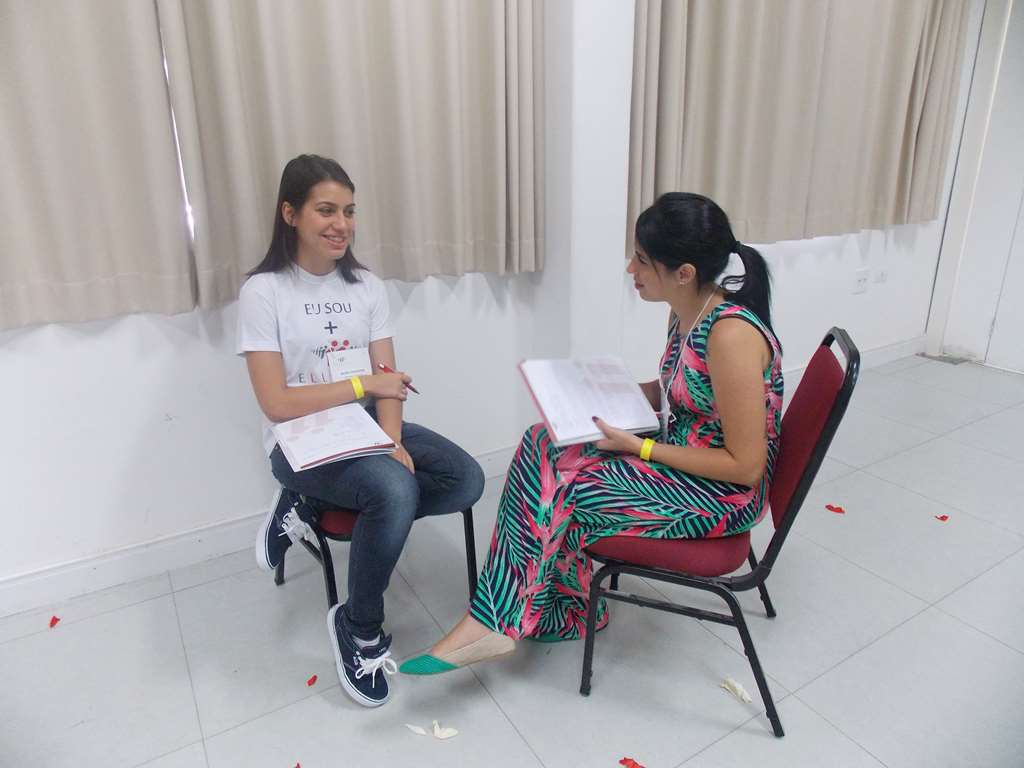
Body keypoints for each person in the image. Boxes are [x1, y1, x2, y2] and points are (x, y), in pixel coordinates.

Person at [400, 192, 783, 674]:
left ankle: (503, 619)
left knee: (566, 484)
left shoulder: (731, 336)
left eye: (642, 260)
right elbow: (683, 390)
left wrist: (640, 446)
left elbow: (745, 467)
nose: (630, 269)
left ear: (684, 273)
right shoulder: (688, 313)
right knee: (542, 440)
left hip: (721, 493)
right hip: (683, 462)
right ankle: (555, 608)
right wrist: (599, 390)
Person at [237, 154, 485, 706]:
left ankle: (311, 504)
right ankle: (359, 626)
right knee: (394, 492)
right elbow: (277, 403)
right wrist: (362, 387)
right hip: (297, 439)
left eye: (349, 211)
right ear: (290, 214)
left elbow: (388, 380)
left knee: (464, 479)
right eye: (326, 210)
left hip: (366, 426)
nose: (341, 224)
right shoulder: (264, 292)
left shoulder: (367, 286)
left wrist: (392, 441)